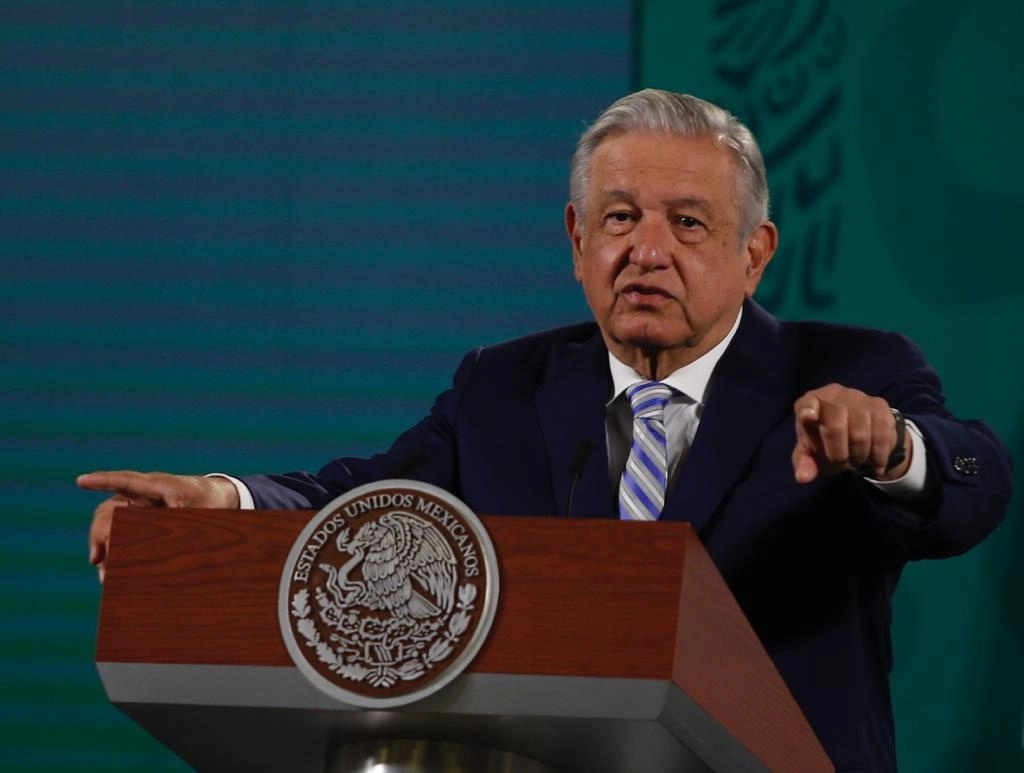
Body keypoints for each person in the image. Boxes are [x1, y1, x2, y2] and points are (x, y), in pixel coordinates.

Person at [79, 89, 1012, 770]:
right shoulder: (502, 385)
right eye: (620, 218)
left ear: (753, 254)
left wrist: (892, 444)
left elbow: (977, 482)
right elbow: (367, 501)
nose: (647, 250)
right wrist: (223, 502)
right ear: (576, 241)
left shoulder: (847, 368)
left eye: (688, 224)